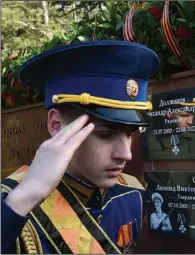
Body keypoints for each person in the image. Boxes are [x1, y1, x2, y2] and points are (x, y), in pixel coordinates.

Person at [1, 40, 160, 254]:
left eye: (129, 135)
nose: (126, 154)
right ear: (56, 125)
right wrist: (24, 198)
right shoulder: (12, 204)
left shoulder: (132, 192)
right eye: (105, 134)